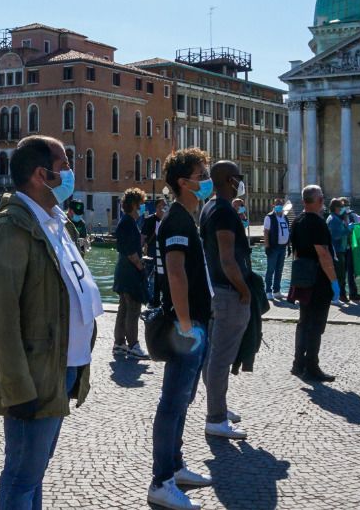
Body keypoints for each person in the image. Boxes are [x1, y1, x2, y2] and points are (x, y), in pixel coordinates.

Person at [0, 136, 101, 510]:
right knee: (21, 475)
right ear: (40, 174)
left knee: (34, 473)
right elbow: (0, 318)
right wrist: (18, 389)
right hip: (34, 374)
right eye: (63, 165)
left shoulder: (54, 222)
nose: (69, 173)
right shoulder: (11, 230)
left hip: (60, 367)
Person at [147, 148, 214, 510]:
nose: (206, 179)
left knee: (183, 400)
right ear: (183, 182)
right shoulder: (176, 220)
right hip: (184, 327)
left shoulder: (187, 217)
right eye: (201, 174)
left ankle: (174, 464)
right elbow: (175, 273)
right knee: (172, 403)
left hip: (194, 324)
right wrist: (187, 324)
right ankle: (161, 480)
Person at [200, 161, 253, 441]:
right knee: (221, 357)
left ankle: (217, 406)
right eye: (239, 178)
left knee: (214, 355)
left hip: (215, 289)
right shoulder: (222, 211)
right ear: (231, 181)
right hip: (228, 291)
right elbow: (227, 257)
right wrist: (243, 288)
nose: (241, 182)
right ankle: (216, 419)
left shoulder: (209, 207)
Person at [287, 185, 339, 382]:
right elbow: (323, 254)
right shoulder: (317, 223)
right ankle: (312, 367)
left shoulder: (298, 221)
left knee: (304, 323)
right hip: (318, 280)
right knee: (316, 325)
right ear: (317, 201)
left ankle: (297, 363)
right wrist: (334, 281)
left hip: (303, 278)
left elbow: (296, 252)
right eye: (322, 197)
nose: (323, 201)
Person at [112, 187, 150, 360]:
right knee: (133, 309)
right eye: (141, 204)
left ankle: (119, 343)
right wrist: (141, 265)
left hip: (123, 271)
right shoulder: (128, 223)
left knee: (123, 308)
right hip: (130, 272)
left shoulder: (126, 221)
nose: (143, 207)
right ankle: (133, 345)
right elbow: (130, 252)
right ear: (134, 205)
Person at [262, 200, 290, 301]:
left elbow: (287, 230)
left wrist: (289, 246)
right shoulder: (269, 217)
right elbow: (266, 232)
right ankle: (268, 291)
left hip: (283, 247)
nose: (279, 206)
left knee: (279, 270)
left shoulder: (285, 217)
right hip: (273, 247)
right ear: (273, 205)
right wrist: (267, 246)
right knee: (270, 270)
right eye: (277, 204)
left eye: (281, 204)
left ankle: (277, 291)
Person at [325, 198, 351, 308]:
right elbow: (336, 236)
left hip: (340, 249)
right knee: (339, 274)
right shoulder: (334, 219)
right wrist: (348, 229)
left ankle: (338, 295)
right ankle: (337, 296)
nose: (343, 209)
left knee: (339, 274)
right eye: (341, 207)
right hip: (337, 251)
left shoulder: (335, 218)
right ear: (336, 208)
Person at [141, 199, 166, 307]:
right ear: (156, 208)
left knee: (162, 278)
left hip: (164, 254)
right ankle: (150, 301)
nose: (163, 208)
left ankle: (159, 301)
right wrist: (140, 250)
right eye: (161, 206)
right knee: (150, 278)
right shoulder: (150, 220)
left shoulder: (167, 220)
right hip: (152, 253)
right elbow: (143, 237)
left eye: (165, 205)